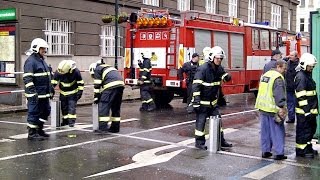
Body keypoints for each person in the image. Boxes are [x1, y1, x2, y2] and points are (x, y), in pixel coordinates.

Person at [192, 46, 232, 150]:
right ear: (212, 57)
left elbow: (223, 76)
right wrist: (196, 101)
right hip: (202, 102)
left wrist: (227, 77)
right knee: (201, 123)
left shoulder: (219, 68)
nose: (219, 60)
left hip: (213, 102)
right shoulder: (203, 69)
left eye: (221, 58)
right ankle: (199, 143)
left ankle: (221, 141)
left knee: (218, 122)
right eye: (217, 58)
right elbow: (196, 85)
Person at [255, 60, 288, 160]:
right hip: (273, 109)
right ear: (278, 66)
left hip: (263, 107)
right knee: (277, 131)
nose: (285, 71)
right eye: (284, 68)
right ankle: (279, 153)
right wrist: (282, 106)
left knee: (265, 131)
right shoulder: (277, 78)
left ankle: (265, 151)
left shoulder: (266, 75)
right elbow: (279, 94)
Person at [23, 38, 53, 140]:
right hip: (35, 94)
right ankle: (32, 133)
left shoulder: (41, 60)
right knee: (34, 112)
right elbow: (28, 78)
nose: (44, 50)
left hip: (44, 94)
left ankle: (39, 129)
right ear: (36, 48)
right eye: (42, 49)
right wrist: (32, 93)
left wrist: (51, 89)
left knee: (46, 111)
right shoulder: (31, 61)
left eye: (44, 48)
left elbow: (47, 76)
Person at [89, 60, 125, 133]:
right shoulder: (108, 67)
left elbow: (97, 85)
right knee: (115, 107)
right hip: (120, 86)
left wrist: (96, 97)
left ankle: (103, 128)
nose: (94, 77)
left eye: (93, 75)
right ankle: (115, 128)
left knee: (104, 105)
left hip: (111, 86)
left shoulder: (97, 69)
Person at [295, 53, 318, 158]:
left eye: (312, 66)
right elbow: (301, 97)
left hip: (310, 110)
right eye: (310, 66)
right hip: (304, 112)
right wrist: (307, 111)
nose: (311, 68)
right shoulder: (301, 77)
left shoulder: (306, 75)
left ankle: (308, 147)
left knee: (310, 130)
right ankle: (301, 150)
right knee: (303, 130)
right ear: (304, 65)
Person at [51, 60, 84, 127]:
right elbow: (53, 82)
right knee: (64, 108)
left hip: (73, 93)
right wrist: (51, 91)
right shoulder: (59, 71)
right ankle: (65, 121)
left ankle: (71, 122)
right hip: (63, 93)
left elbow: (80, 83)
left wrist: (79, 93)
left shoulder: (76, 72)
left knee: (71, 108)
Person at [283, 51, 299, 123]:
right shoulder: (288, 63)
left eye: (292, 55)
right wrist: (285, 58)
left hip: (296, 88)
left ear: (296, 57)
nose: (290, 56)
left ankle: (299, 118)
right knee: (289, 103)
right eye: (290, 55)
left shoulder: (298, 65)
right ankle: (291, 118)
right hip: (289, 87)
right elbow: (280, 63)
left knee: (297, 104)